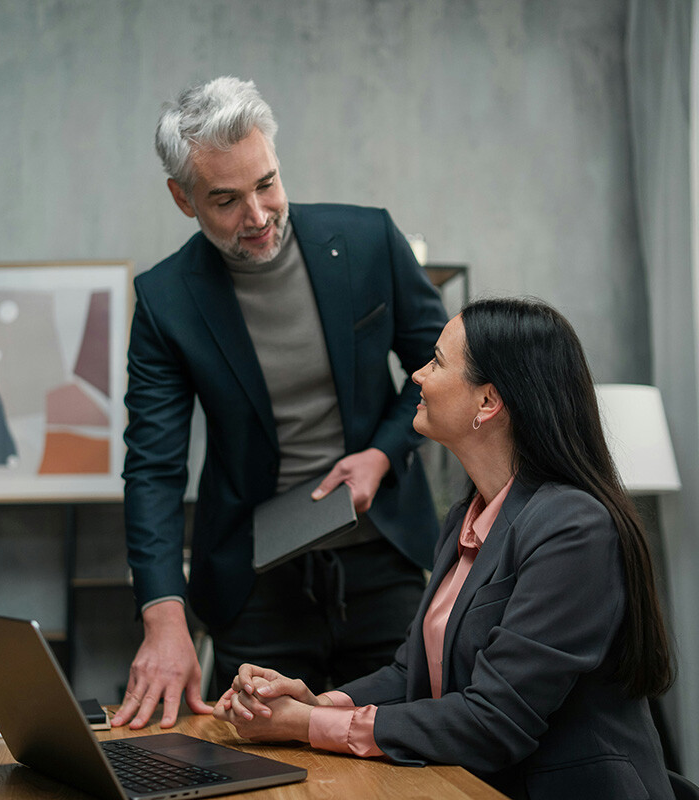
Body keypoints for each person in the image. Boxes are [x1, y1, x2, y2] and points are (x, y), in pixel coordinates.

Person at [214, 297, 676, 800]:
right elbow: (411, 672)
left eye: (435, 361)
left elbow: (493, 721)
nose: (416, 375)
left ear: (487, 403)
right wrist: (318, 703)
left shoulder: (574, 527)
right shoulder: (468, 515)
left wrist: (305, 725)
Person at [112, 76, 448, 730]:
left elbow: (439, 368)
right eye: (226, 199)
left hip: (384, 556)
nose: (259, 216)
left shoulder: (369, 239)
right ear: (183, 199)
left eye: (266, 183)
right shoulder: (165, 301)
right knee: (258, 763)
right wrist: (163, 615)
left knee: (407, 752)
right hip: (253, 580)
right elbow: (153, 467)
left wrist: (381, 452)